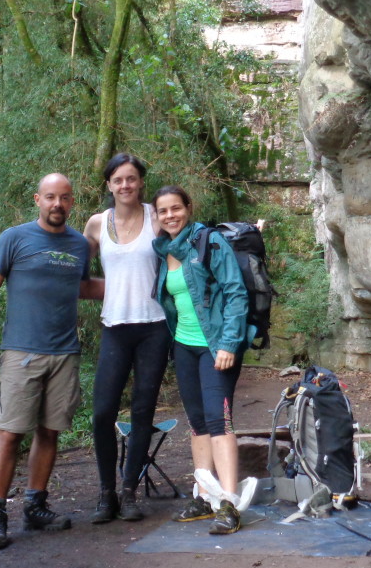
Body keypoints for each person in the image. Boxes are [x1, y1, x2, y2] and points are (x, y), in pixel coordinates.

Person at [0, 173, 102, 551]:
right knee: (10, 432)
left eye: (64, 198)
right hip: (21, 351)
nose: (57, 205)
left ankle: (36, 505)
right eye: (50, 197)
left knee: (50, 431)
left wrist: (140, 284)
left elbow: (80, 287)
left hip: (64, 353)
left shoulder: (79, 244)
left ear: (72, 202)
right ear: (37, 199)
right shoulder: (13, 238)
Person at [151, 185, 253, 535]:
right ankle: (204, 494)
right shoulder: (163, 248)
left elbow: (236, 292)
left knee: (218, 421)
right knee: (197, 423)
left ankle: (229, 502)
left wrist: (228, 343)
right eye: (163, 211)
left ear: (188, 208)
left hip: (216, 347)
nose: (170, 216)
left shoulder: (209, 241)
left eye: (175, 209)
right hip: (184, 346)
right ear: (157, 216)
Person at [82, 153, 172, 523]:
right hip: (115, 327)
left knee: (142, 411)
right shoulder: (96, 224)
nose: (125, 186)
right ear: (108, 185)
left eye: (131, 179)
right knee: (103, 411)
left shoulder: (157, 217)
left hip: (155, 326)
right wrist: (114, 290)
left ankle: (129, 490)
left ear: (140, 182)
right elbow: (78, 275)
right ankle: (106, 493)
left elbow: (180, 261)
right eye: (118, 180)